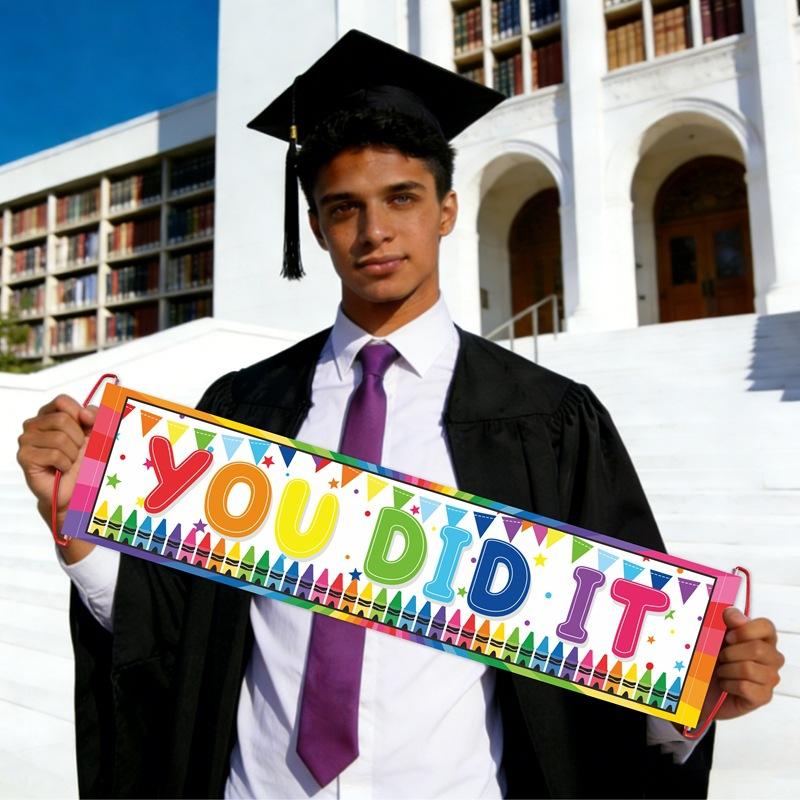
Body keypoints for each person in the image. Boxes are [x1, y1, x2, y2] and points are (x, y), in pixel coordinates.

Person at [16, 31, 783, 799]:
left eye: (402, 198)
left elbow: (615, 659)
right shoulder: (244, 409)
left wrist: (700, 692)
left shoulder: (547, 420)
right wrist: (78, 524)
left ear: (447, 210)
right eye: (343, 208)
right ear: (316, 228)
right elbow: (175, 630)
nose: (374, 231)